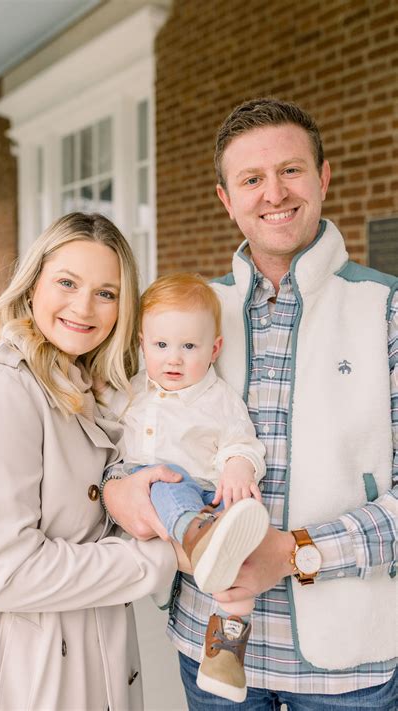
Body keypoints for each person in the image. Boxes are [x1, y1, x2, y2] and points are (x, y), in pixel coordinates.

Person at [102, 98, 398, 709]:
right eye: (251, 179)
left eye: (290, 170)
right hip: (208, 652)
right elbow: (135, 431)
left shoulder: (385, 311)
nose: (274, 193)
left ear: (323, 178)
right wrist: (118, 489)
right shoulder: (189, 316)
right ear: (225, 198)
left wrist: (294, 554)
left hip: (349, 670)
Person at [0, 212, 183, 711]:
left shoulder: (91, 388)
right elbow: (6, 572)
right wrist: (163, 556)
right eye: (67, 282)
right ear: (33, 284)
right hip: (6, 663)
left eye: (106, 293)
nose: (83, 307)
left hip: (86, 651)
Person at [106, 272, 269, 702]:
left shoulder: (218, 398)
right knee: (163, 475)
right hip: (149, 491)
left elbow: (242, 441)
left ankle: (226, 658)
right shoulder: (131, 392)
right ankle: (202, 541)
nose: (173, 359)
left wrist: (238, 467)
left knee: (238, 568)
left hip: (201, 501)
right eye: (161, 346)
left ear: (214, 349)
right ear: (142, 344)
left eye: (189, 347)